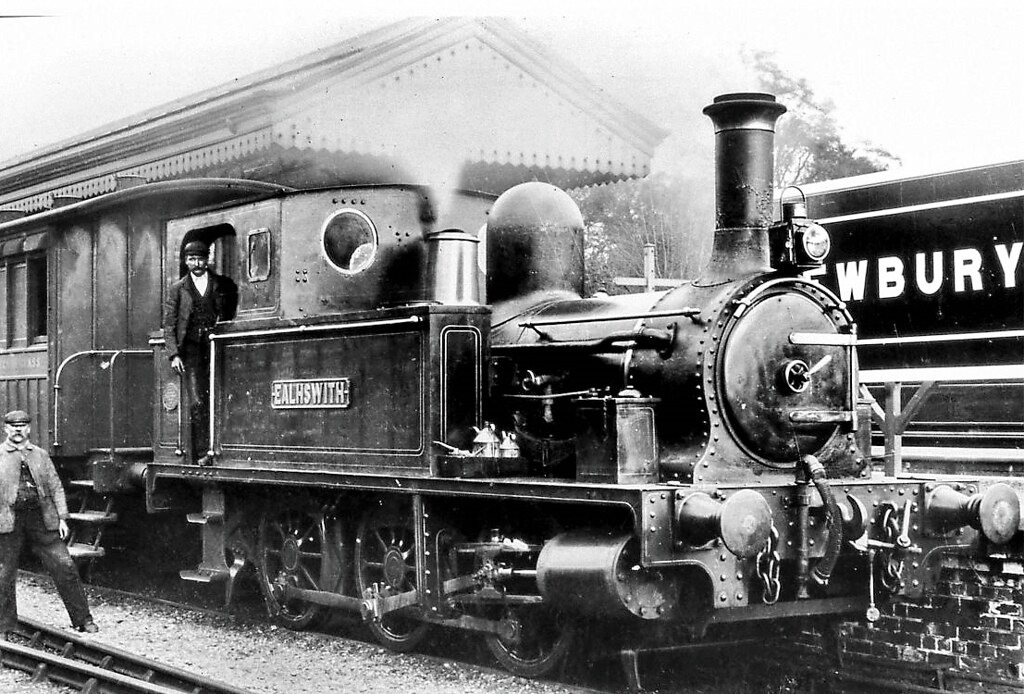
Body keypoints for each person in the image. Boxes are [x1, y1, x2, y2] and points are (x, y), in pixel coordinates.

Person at [0, 410, 97, 636]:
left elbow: (55, 486)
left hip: (41, 519)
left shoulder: (41, 455)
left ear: (28, 429)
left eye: (22, 425)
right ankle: (4, 626)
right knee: (4, 573)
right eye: (13, 426)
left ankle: (83, 620)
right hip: (7, 521)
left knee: (65, 566)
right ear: (5, 429)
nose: (18, 429)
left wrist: (63, 518)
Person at [163, 240, 238, 465]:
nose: (197, 264)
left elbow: (230, 311)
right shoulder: (178, 289)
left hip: (217, 347)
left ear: (208, 260)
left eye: (201, 259)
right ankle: (204, 451)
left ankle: (223, 448)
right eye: (192, 259)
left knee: (221, 397)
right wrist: (174, 354)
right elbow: (169, 324)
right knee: (197, 401)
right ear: (186, 261)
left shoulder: (221, 284)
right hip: (191, 350)